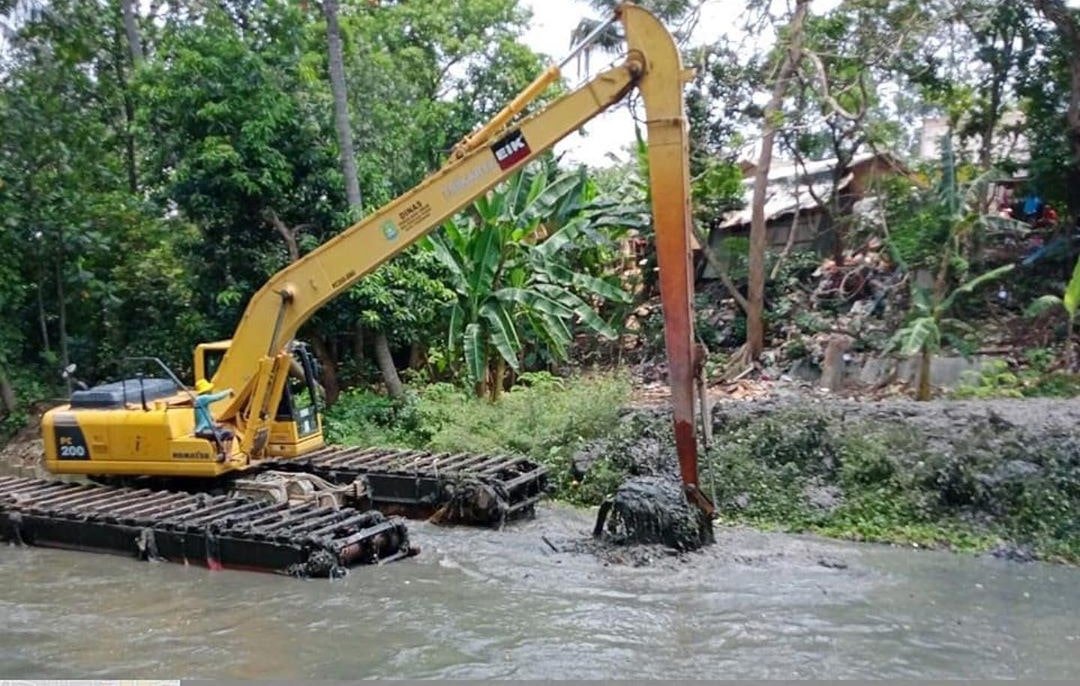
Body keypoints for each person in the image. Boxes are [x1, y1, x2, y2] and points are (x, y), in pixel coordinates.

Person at [193, 379, 234, 461]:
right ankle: (218, 455)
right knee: (216, 434)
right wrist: (229, 391)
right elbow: (217, 397)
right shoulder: (201, 398)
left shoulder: (204, 404)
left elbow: (207, 420)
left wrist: (215, 425)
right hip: (201, 431)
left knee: (229, 433)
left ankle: (228, 455)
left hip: (208, 428)